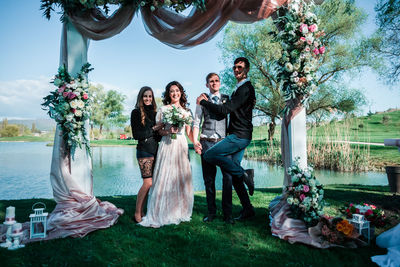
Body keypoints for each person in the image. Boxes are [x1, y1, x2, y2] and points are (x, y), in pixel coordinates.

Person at [196, 57, 256, 221]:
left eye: (240, 67)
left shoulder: (244, 88)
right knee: (233, 174)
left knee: (211, 156)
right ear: (207, 84)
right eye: (235, 67)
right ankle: (248, 209)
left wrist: (204, 102)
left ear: (247, 69)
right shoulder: (240, 89)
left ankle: (245, 174)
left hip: (238, 135)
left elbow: (225, 110)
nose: (237, 70)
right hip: (236, 134)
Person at [139, 81, 195, 228]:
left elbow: (188, 132)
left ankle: (180, 210)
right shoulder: (163, 109)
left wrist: (195, 142)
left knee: (180, 177)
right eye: (172, 91)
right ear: (168, 94)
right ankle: (162, 210)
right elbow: (159, 131)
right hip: (167, 145)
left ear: (181, 92)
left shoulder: (187, 111)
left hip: (181, 145)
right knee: (165, 177)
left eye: (177, 90)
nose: (175, 93)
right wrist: (169, 131)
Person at [192, 73, 235, 224]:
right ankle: (211, 212)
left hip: (224, 142)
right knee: (209, 180)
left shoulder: (227, 99)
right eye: (211, 81)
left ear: (220, 83)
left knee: (228, 178)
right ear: (207, 84)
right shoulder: (201, 101)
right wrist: (196, 141)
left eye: (216, 81)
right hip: (207, 142)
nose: (214, 83)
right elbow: (196, 122)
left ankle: (228, 214)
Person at [130, 86, 161, 223]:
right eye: (145, 96)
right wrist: (154, 129)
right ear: (141, 98)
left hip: (156, 150)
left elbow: (157, 136)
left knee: (153, 183)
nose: (148, 99)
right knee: (147, 182)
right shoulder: (136, 112)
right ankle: (137, 213)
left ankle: (144, 211)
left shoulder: (156, 113)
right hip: (144, 150)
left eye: (150, 96)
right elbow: (137, 135)